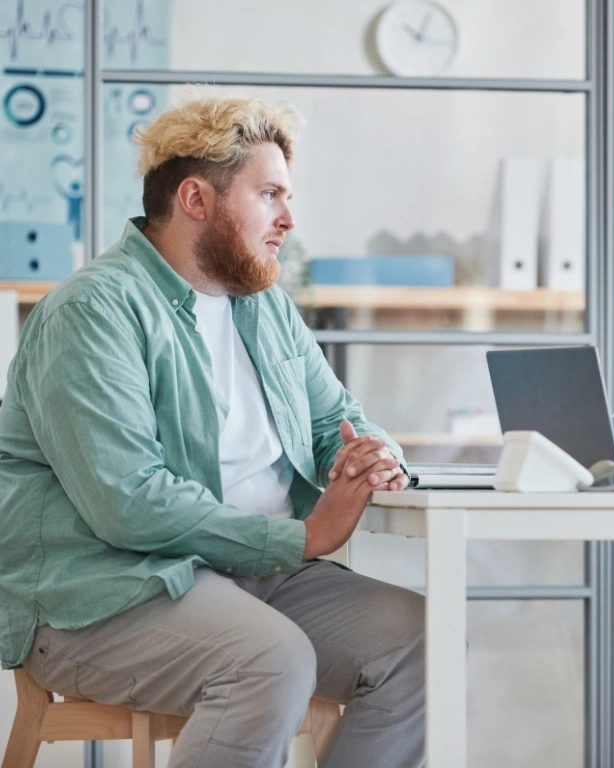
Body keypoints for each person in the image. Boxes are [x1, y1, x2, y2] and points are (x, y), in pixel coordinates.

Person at [0, 94, 424, 768]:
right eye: (270, 195)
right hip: (109, 594)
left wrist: (378, 456)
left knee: (421, 637)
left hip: (258, 576)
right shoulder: (91, 312)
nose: (289, 219)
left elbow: (333, 420)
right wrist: (305, 536)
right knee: (270, 659)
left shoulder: (265, 306)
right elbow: (129, 502)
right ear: (197, 200)